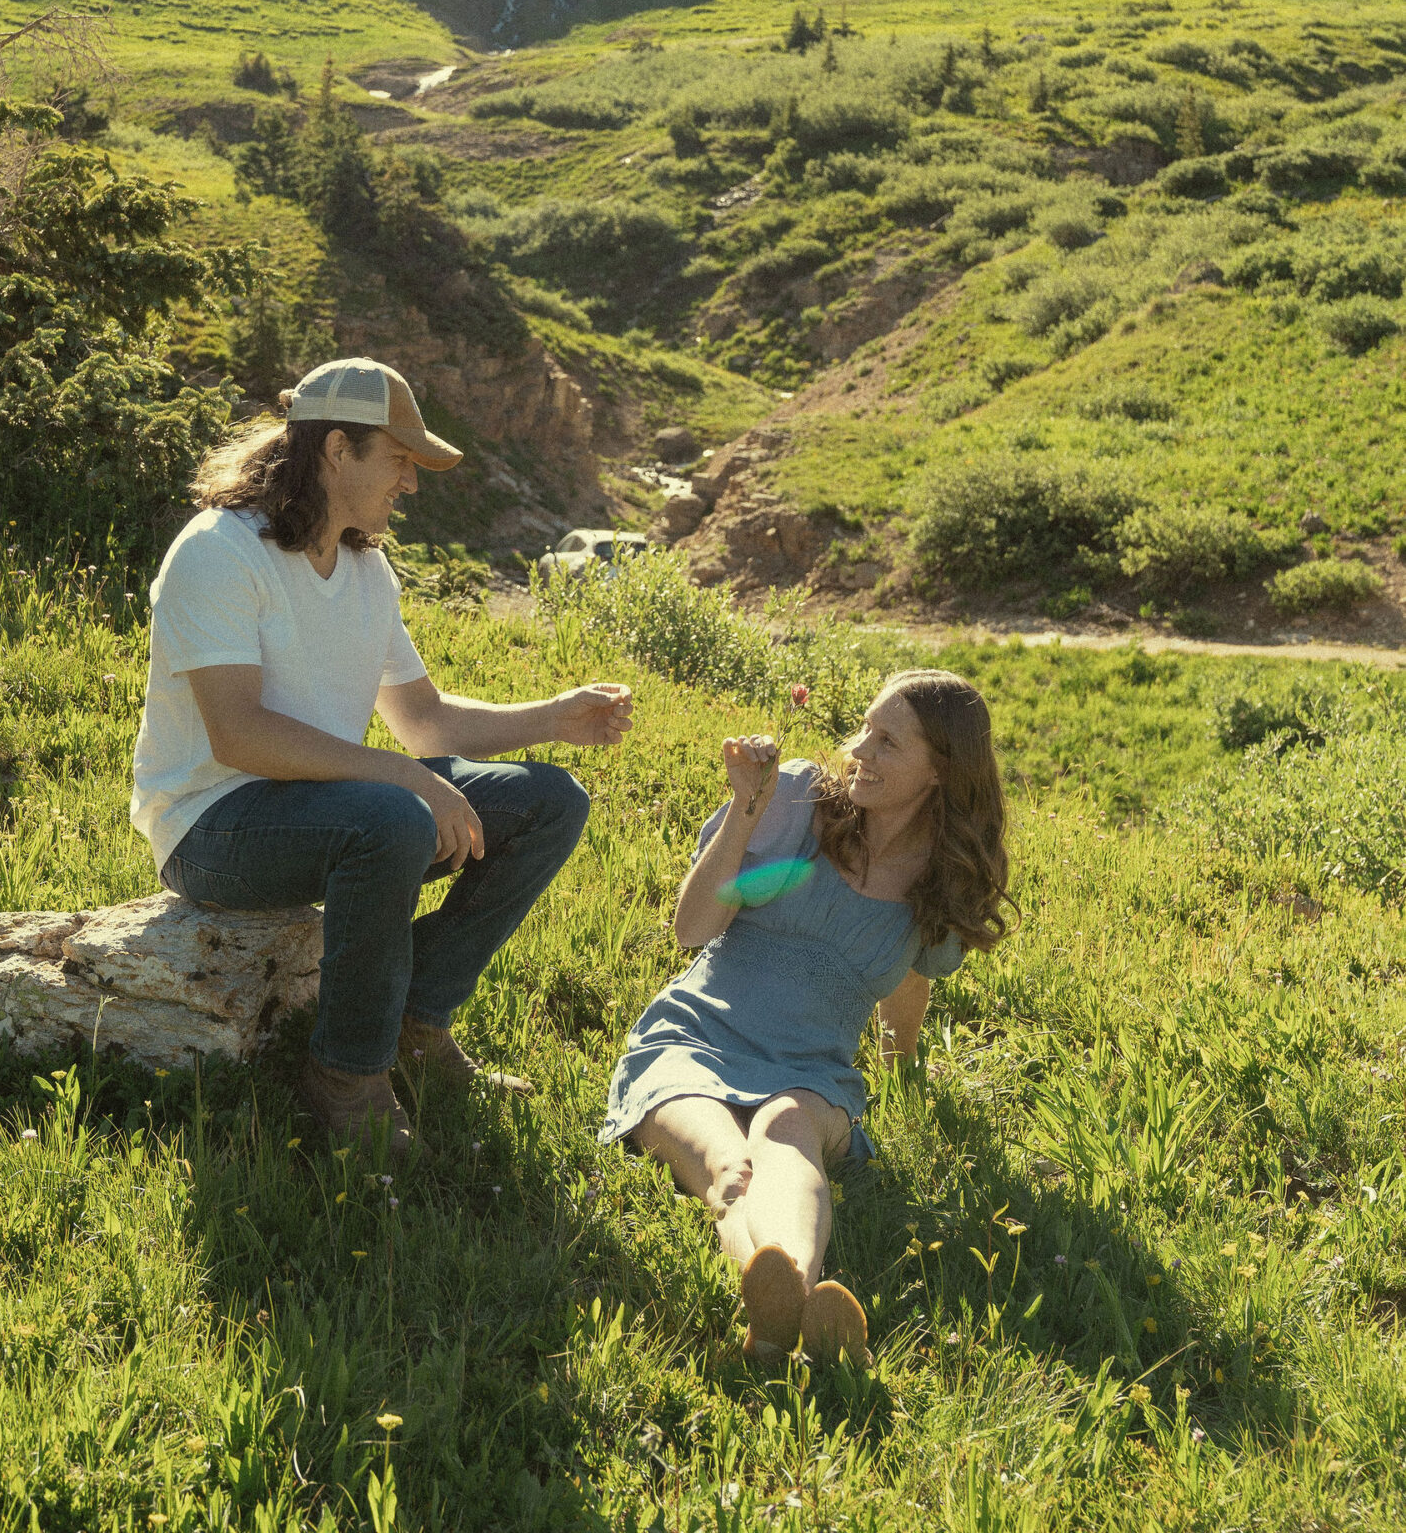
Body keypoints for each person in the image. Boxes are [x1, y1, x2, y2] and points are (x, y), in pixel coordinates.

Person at [132, 356, 632, 1159]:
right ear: (336, 450)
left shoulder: (366, 568)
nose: (410, 481)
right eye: (398, 459)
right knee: (391, 815)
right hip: (213, 828)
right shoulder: (218, 552)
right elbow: (238, 735)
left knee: (550, 802)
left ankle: (413, 1018)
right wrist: (400, 777)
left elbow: (424, 723)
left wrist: (553, 717)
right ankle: (344, 1079)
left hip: (327, 808)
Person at [599, 671, 1013, 1365]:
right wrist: (744, 809)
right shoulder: (793, 799)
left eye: (887, 742)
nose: (858, 750)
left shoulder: (945, 877)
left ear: (941, 771)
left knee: (785, 1130)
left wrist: (900, 1069)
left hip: (811, 1073)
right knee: (725, 1163)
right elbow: (693, 929)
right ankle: (787, 1308)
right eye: (862, 729)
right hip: (691, 1039)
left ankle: (781, 1308)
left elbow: (909, 986)